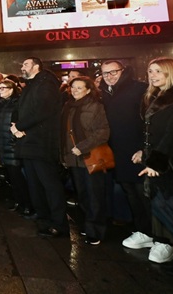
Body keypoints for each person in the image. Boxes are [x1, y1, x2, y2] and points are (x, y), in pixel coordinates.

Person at [138, 57, 173, 264]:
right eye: (150, 71)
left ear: (172, 72)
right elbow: (152, 132)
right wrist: (144, 152)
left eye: (158, 71)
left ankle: (172, 245)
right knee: (160, 202)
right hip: (158, 159)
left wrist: (156, 162)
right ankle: (162, 241)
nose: (153, 75)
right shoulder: (156, 95)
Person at [11, 57, 68, 238]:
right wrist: (15, 124)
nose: (22, 67)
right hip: (29, 143)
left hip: (42, 143)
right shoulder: (33, 84)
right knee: (35, 184)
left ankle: (59, 223)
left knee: (49, 184)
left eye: (25, 64)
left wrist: (20, 126)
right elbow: (22, 109)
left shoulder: (46, 84)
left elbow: (42, 111)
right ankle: (43, 218)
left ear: (36, 66)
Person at [99, 60, 152, 250]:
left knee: (143, 193)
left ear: (123, 71)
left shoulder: (139, 89)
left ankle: (154, 234)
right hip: (118, 151)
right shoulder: (105, 91)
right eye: (105, 73)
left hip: (137, 151)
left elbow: (150, 120)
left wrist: (144, 148)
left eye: (113, 72)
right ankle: (143, 230)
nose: (109, 76)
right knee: (130, 191)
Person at [61, 76, 111, 246]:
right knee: (82, 194)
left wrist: (82, 147)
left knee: (94, 195)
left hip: (91, 157)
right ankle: (87, 225)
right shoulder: (68, 106)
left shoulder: (96, 106)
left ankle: (96, 230)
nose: (75, 91)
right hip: (74, 158)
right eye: (73, 87)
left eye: (79, 88)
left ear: (89, 90)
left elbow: (103, 132)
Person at [0, 79, 33, 216]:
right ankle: (19, 201)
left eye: (3, 88)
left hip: (13, 144)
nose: (0, 90)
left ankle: (27, 204)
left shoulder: (17, 103)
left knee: (19, 178)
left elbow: (19, 124)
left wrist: (15, 138)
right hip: (3, 143)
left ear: (12, 90)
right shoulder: (1, 104)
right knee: (12, 177)